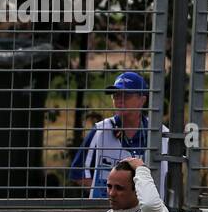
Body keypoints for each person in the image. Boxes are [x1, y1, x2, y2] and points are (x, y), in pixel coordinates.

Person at [70, 71, 169, 199]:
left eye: (126, 96)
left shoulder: (161, 134)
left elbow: (173, 178)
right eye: (116, 96)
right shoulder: (101, 130)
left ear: (142, 100)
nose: (119, 101)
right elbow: (79, 173)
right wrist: (113, 196)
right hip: (108, 211)